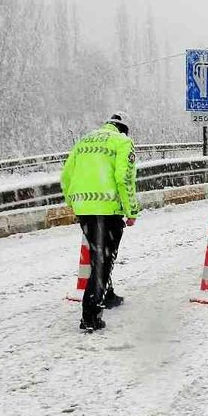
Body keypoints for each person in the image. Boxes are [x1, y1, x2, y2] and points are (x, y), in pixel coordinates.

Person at [60, 111, 141, 332]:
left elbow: (66, 176)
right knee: (103, 261)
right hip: (108, 209)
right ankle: (91, 316)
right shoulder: (122, 142)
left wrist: (72, 202)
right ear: (124, 130)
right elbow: (124, 178)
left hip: (84, 208)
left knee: (99, 254)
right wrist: (131, 210)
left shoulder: (84, 141)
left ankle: (109, 295)